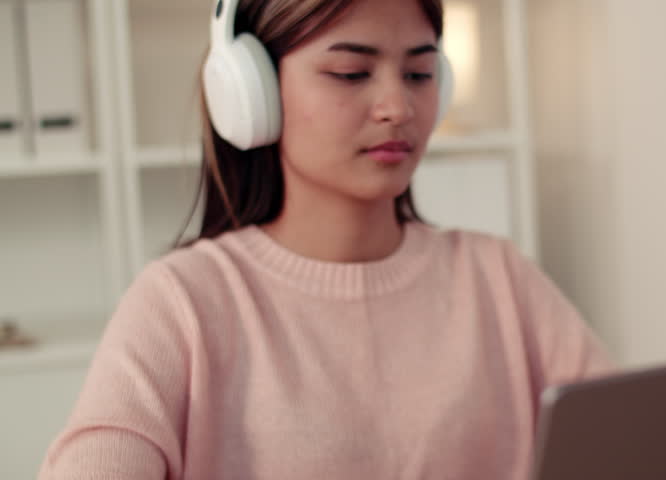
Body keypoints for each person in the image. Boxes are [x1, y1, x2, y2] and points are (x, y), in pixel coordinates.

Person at [38, 0, 614, 478]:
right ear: (252, 95)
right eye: (351, 74)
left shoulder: (498, 276)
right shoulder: (183, 302)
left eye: (419, 73)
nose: (398, 108)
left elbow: (634, 439)